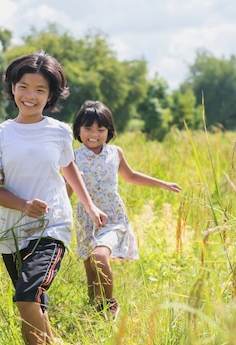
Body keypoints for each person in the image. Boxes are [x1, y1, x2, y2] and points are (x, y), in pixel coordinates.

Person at [0, 52, 107, 345]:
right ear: (12, 88)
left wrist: (89, 205)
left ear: (51, 95)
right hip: (10, 231)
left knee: (27, 295)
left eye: (40, 89)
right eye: (23, 86)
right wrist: (23, 205)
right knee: (34, 306)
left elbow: (69, 168)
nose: (30, 96)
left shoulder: (60, 131)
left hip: (51, 226)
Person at [68, 100, 181, 320]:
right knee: (91, 270)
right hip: (86, 218)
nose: (94, 134)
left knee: (100, 256)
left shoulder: (115, 153)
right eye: (88, 129)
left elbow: (130, 176)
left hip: (113, 216)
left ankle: (109, 305)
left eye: (100, 130)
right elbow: (67, 190)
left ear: (109, 131)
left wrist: (162, 184)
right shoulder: (73, 157)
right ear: (78, 130)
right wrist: (69, 184)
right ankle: (95, 312)